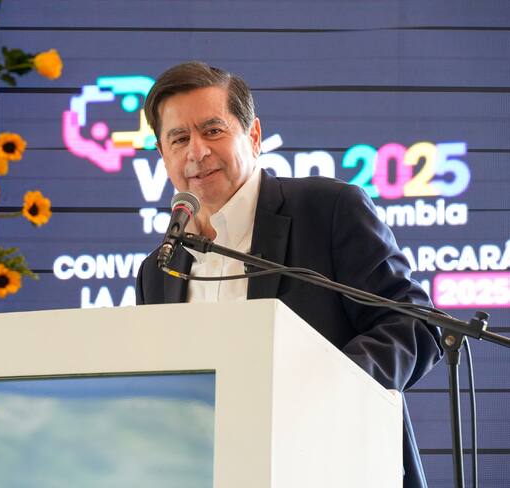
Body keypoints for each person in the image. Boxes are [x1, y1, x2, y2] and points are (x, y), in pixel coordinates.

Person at [135, 61, 442, 488]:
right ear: (163, 154)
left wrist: (325, 390)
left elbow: (414, 324)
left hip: (337, 467)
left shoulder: (328, 209)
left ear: (254, 136)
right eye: (179, 138)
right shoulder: (157, 270)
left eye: (213, 130)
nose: (197, 152)